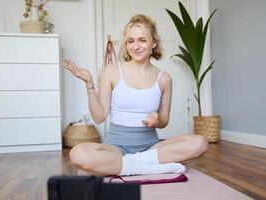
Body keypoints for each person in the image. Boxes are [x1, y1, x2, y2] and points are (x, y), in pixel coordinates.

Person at [62, 14, 208, 176]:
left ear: (154, 42)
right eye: (131, 41)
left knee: (200, 143)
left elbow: (164, 120)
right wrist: (89, 84)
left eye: (142, 40)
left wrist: (157, 119)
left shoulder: (164, 79)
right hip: (115, 148)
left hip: (151, 148)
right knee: (78, 154)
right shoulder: (112, 71)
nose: (136, 46)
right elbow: (99, 117)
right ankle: (147, 167)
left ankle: (127, 166)